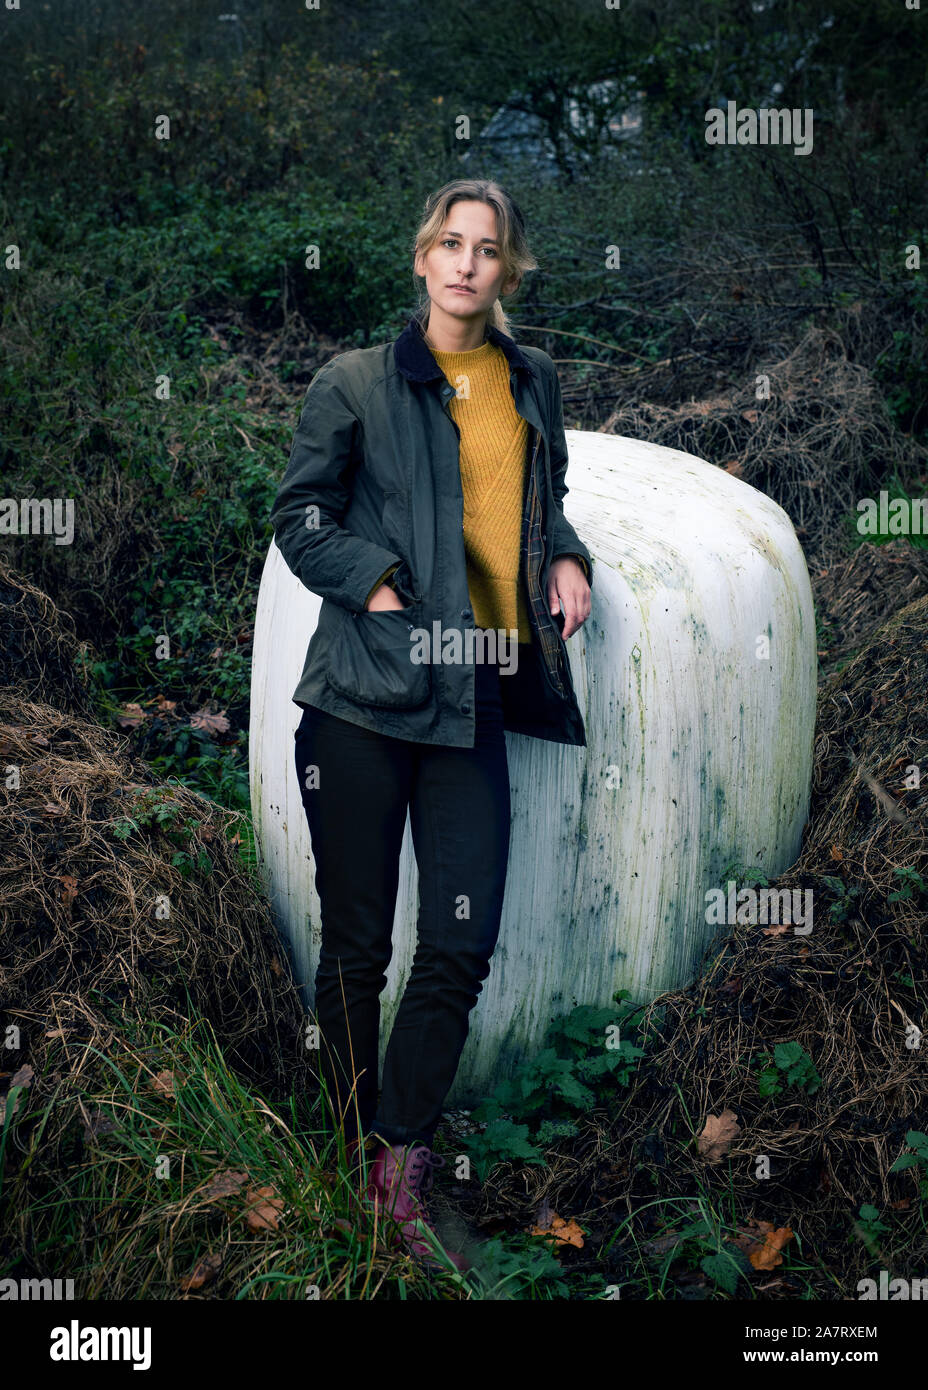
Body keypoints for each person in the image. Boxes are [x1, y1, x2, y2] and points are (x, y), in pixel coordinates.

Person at [269, 178, 593, 1271]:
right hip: (364, 699)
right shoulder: (355, 382)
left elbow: (538, 496)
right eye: (448, 244)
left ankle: (397, 1155)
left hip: (476, 701)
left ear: (508, 270)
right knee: (358, 947)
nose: (465, 263)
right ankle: (347, 1152)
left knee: (459, 942)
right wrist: (379, 587)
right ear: (421, 259)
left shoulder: (532, 379)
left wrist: (563, 554)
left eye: (486, 248)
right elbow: (301, 518)